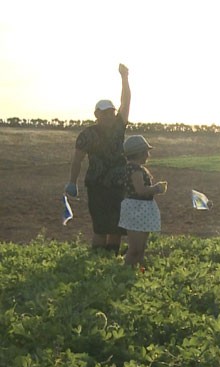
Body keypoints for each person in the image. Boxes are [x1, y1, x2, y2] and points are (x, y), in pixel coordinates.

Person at [65, 63, 131, 255]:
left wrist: (124, 78)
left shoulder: (119, 127)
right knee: (101, 227)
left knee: (118, 227)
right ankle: (98, 260)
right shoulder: (86, 135)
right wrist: (72, 182)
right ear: (96, 115)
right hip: (97, 184)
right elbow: (77, 160)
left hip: (119, 183)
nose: (109, 115)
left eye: (111, 112)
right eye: (104, 113)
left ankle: (111, 259)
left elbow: (126, 101)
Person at [118, 135, 167, 268]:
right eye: (146, 152)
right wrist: (157, 188)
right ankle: (125, 272)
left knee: (141, 248)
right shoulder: (135, 170)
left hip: (140, 209)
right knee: (135, 249)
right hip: (136, 209)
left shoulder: (135, 169)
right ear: (139, 153)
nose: (148, 155)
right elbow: (140, 190)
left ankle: (138, 272)